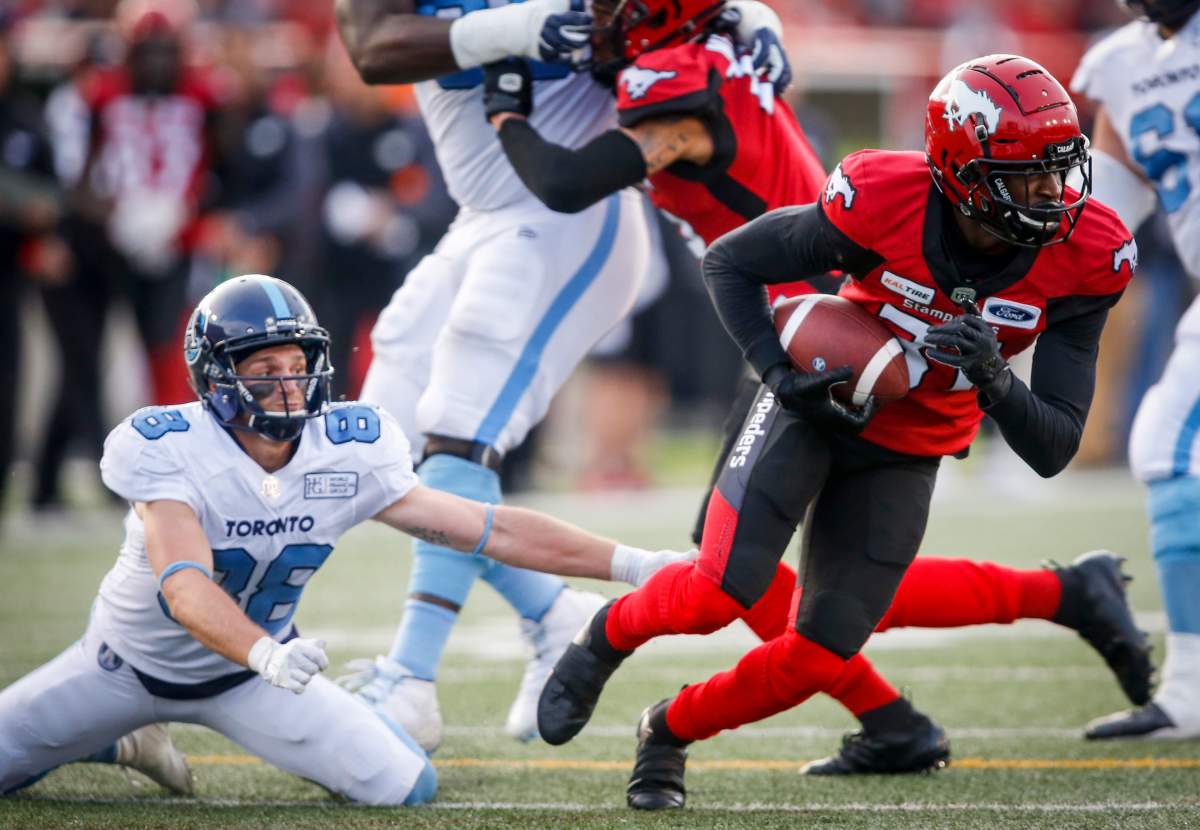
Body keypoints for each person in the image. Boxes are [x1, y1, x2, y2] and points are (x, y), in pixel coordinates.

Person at [485, 2, 1153, 774]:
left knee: (824, 625)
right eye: (1024, 178)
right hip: (819, 359)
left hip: (909, 423)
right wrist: (777, 370)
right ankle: (622, 644)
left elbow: (1056, 445)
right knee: (725, 585)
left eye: (1057, 169)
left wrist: (996, 378)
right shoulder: (879, 190)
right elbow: (731, 259)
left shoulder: (1089, 251)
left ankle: (711, 729)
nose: (1050, 194)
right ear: (960, 174)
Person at [0, 274, 692, 802]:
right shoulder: (171, 447)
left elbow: (486, 528)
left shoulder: (345, 448)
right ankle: (114, 738)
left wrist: (634, 565)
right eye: (263, 372)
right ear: (216, 378)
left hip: (246, 680)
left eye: (297, 364)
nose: (289, 386)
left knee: (404, 785)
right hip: (123, 666)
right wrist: (268, 653)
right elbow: (182, 586)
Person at [329, 0, 780, 749]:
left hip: (568, 219)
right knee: (372, 458)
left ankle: (409, 681)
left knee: (456, 438)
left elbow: (693, 13)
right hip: (482, 219)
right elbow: (373, 48)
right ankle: (556, 609)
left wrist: (753, 15)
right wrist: (516, 27)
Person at [1069, 0, 1200, 740]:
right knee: (1167, 442)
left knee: (1169, 440)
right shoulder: (1120, 66)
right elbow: (1100, 224)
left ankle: (1189, 693)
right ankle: (1187, 692)